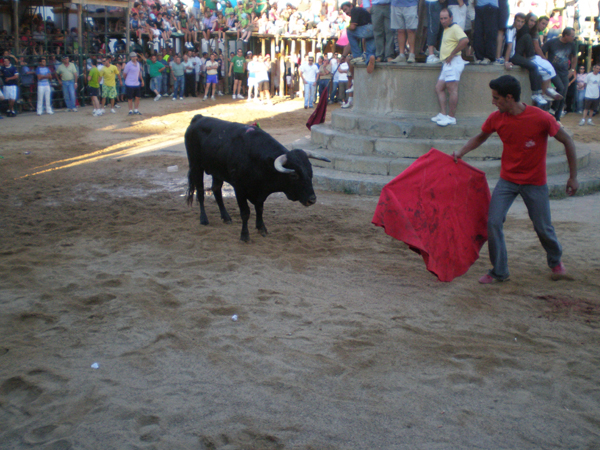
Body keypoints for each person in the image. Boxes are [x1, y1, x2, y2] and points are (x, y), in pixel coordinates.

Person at [453, 75, 578, 283]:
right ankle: (499, 271)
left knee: (543, 227)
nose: (493, 102)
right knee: (493, 222)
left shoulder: (541, 118)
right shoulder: (496, 118)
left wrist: (573, 177)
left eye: (496, 98)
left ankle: (555, 260)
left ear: (509, 97)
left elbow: (567, 141)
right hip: (508, 180)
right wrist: (461, 152)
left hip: (535, 182)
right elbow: (480, 137)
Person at [431, 8, 469, 127]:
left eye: (445, 18)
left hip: (453, 62)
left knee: (452, 89)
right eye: (441, 19)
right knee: (439, 88)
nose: (443, 21)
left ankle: (451, 117)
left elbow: (465, 40)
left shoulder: (455, 28)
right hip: (446, 63)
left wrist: (452, 54)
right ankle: (443, 114)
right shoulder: (447, 29)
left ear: (451, 18)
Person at [542, 27, 577, 122]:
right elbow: (542, 51)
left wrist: (572, 70)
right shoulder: (552, 42)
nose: (574, 37)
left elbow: (574, 57)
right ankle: (553, 108)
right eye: (572, 36)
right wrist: (545, 63)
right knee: (560, 88)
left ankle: (557, 118)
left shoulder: (572, 44)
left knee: (563, 94)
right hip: (553, 71)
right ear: (566, 35)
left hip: (565, 71)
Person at [340, 2, 376, 73]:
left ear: (351, 6)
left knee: (349, 31)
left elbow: (352, 27)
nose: (346, 12)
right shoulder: (359, 12)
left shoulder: (354, 10)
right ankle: (370, 58)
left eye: (346, 9)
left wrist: (347, 28)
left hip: (368, 29)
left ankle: (357, 56)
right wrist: (344, 56)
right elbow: (351, 43)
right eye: (344, 11)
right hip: (373, 31)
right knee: (369, 52)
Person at [473, 0, 499, 64]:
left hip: (491, 5)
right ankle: (479, 57)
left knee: (490, 33)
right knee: (478, 32)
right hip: (479, 6)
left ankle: (489, 57)